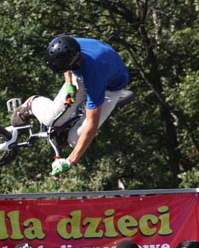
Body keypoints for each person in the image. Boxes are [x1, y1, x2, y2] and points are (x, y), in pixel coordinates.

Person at [11, 35, 130, 176]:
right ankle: (32, 103)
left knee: (75, 140)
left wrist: (70, 161)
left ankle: (67, 134)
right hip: (84, 75)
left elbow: (92, 126)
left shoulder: (94, 76)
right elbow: (66, 66)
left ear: (74, 62)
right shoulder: (67, 45)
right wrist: (68, 84)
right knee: (50, 119)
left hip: (108, 89)